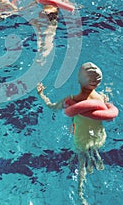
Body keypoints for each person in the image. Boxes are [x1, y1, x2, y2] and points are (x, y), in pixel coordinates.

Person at [37, 62, 117, 205]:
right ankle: (98, 161)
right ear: (97, 83)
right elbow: (109, 115)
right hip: (99, 136)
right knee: (94, 152)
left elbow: (51, 107)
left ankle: (80, 194)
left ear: (79, 80)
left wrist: (41, 95)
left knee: (81, 165)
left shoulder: (71, 101)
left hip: (81, 140)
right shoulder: (101, 98)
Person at [29, 0, 72, 64]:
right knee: (49, 35)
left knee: (38, 30)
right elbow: (70, 8)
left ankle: (39, 49)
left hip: (42, 14)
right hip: (52, 15)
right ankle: (44, 55)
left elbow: (32, 4)